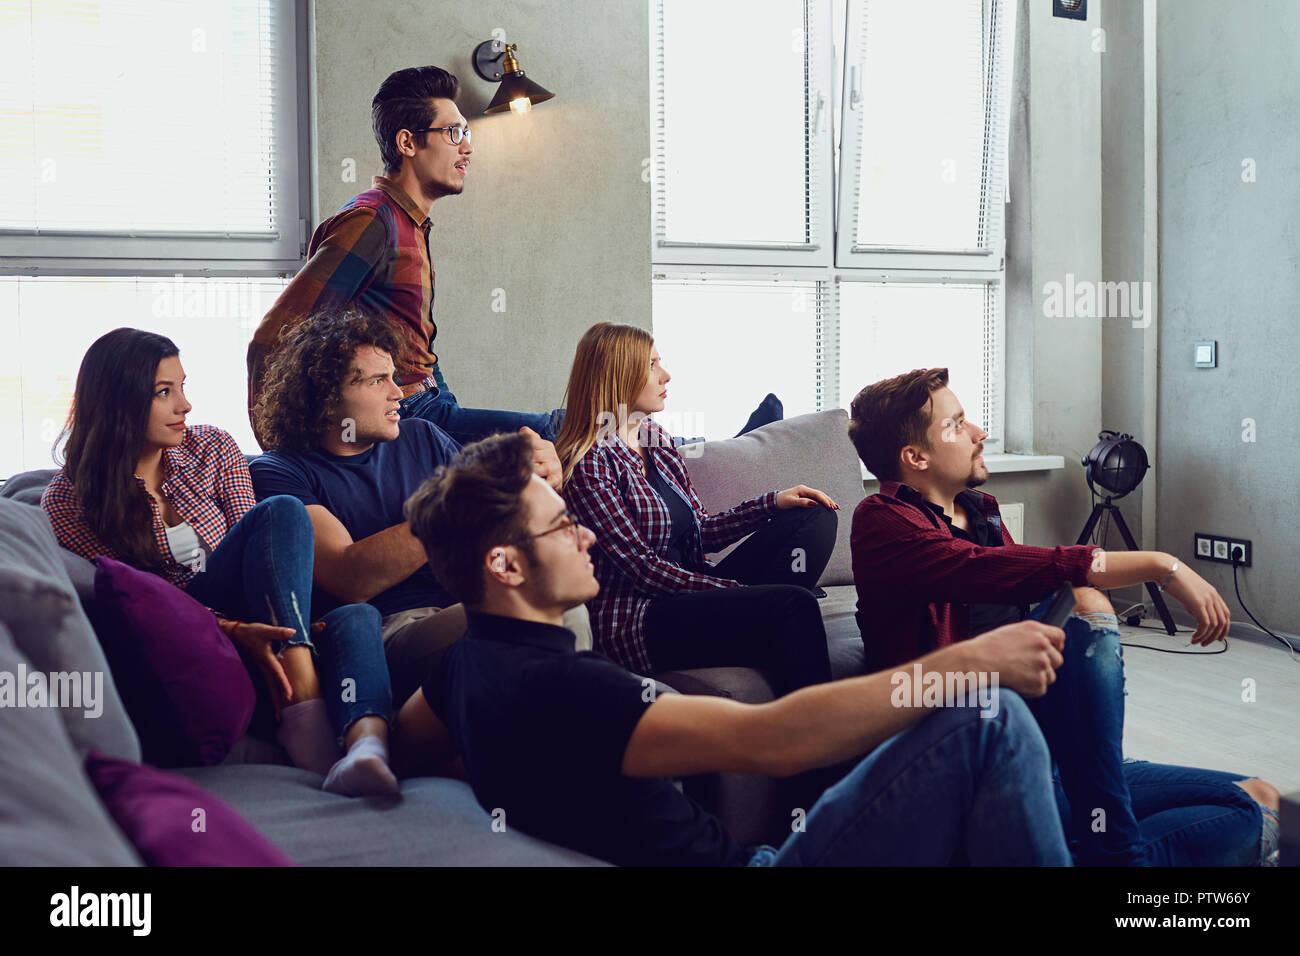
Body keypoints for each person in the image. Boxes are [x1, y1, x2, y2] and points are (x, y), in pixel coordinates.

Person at [390, 431, 1076, 866]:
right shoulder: (567, 688)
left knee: (1144, 813)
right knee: (993, 720)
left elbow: (400, 740)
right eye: (565, 527)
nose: (588, 536)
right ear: (505, 566)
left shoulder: (464, 664)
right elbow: (776, 739)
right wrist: (971, 662)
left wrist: (363, 734)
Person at [846, 366, 1281, 865]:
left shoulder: (979, 511)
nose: (978, 432)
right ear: (915, 457)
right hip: (979, 767)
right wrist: (1162, 565)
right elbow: (985, 570)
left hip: (1050, 751)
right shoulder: (882, 522)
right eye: (956, 424)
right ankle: (1114, 847)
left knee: (1264, 797)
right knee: (1087, 601)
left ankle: (1098, 838)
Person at [41, 328, 397, 796]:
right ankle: (305, 712)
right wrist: (230, 630)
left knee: (356, 615)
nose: (185, 405)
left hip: (263, 614)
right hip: (202, 632)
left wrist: (280, 625)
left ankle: (366, 750)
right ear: (117, 403)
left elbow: (264, 552)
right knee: (285, 509)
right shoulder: (68, 500)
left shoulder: (212, 448)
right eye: (164, 392)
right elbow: (137, 604)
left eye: (183, 387)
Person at [249, 308, 588, 710]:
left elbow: (497, 524)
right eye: (378, 381)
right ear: (324, 395)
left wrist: (540, 481)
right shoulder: (279, 470)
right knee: (548, 613)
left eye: (394, 376)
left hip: (466, 601)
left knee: (557, 603)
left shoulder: (421, 436)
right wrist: (462, 500)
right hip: (387, 633)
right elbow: (350, 577)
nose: (398, 392)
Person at [246, 65, 564, 448]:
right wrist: (281, 451)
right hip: (408, 414)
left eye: (466, 131)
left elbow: (418, 350)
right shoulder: (371, 223)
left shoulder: (409, 221)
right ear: (407, 143)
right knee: (559, 429)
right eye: (453, 132)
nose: (468, 146)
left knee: (560, 437)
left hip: (431, 404)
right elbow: (274, 337)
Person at [556, 323, 838, 696]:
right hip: (640, 618)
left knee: (814, 515)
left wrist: (769, 503)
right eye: (653, 364)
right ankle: (817, 744)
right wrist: (735, 592)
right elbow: (642, 570)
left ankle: (755, 620)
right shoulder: (590, 462)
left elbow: (700, 531)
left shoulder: (654, 438)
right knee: (793, 604)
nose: (666, 374)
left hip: (691, 590)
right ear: (619, 374)